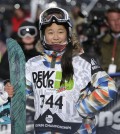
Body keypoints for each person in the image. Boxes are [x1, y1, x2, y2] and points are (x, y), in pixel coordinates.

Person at [4, 7, 117, 134]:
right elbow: (22, 91)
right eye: (50, 32)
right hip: (43, 129)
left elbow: (109, 88)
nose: (56, 37)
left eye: (60, 32)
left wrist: (81, 110)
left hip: (77, 130)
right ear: (43, 35)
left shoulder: (82, 61)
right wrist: (10, 89)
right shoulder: (33, 63)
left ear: (68, 33)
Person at [99, 7, 120, 73]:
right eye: (113, 20)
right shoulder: (101, 42)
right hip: (106, 80)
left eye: (119, 19)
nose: (117, 23)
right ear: (107, 23)